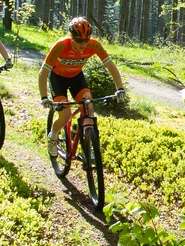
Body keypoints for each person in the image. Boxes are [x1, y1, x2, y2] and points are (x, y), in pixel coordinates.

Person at [38, 17, 124, 153]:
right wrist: (44, 97)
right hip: (57, 79)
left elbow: (110, 66)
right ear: (71, 37)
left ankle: (89, 146)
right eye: (79, 40)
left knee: (88, 109)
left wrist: (120, 88)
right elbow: (43, 73)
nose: (83, 44)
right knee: (65, 115)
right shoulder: (60, 46)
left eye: (86, 40)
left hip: (76, 78)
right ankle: (53, 136)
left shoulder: (94, 45)